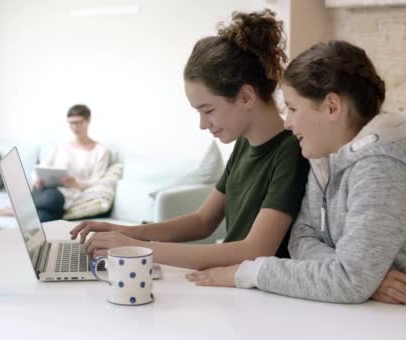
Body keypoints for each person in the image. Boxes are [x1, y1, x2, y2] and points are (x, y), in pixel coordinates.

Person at [185, 40, 406, 304]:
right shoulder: (322, 159)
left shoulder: (383, 169)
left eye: (292, 108)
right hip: (363, 314)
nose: (288, 123)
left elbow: (349, 281)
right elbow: (301, 238)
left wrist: (251, 272)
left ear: (332, 107)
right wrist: (360, 277)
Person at [69, 9, 309, 270]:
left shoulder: (291, 151)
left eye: (208, 110)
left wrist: (135, 248)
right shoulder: (244, 143)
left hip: (261, 296)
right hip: (232, 284)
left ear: (246, 97)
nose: (203, 124)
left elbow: (254, 250)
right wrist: (124, 232)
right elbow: (203, 221)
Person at [0, 104, 110, 222]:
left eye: (78, 122)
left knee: (49, 209)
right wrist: (37, 180)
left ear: (88, 120)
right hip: (45, 190)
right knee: (47, 209)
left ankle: (16, 211)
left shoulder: (100, 151)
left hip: (67, 194)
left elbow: (98, 180)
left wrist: (77, 183)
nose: (74, 127)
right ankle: (22, 210)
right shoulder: (62, 146)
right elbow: (40, 168)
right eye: (71, 123)